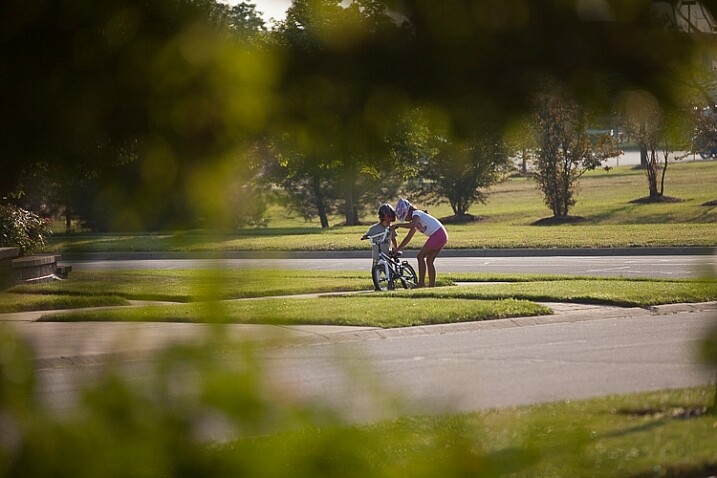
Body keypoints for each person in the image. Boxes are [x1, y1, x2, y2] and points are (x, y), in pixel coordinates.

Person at [392, 198, 448, 288]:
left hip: (437, 235)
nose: (406, 220)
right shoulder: (415, 219)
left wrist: (397, 225)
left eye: (405, 217)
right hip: (442, 235)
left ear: (408, 212)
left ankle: (421, 283)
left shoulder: (416, 214)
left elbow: (412, 225)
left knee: (420, 256)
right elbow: (408, 237)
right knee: (429, 261)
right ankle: (431, 286)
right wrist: (398, 249)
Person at [361, 203, 398, 289]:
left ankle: (391, 286)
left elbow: (393, 239)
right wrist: (365, 236)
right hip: (377, 256)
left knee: (389, 273)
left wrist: (395, 248)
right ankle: (378, 286)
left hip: (386, 255)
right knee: (375, 273)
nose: (388, 222)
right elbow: (368, 234)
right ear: (382, 217)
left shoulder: (390, 228)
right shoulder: (374, 229)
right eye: (387, 219)